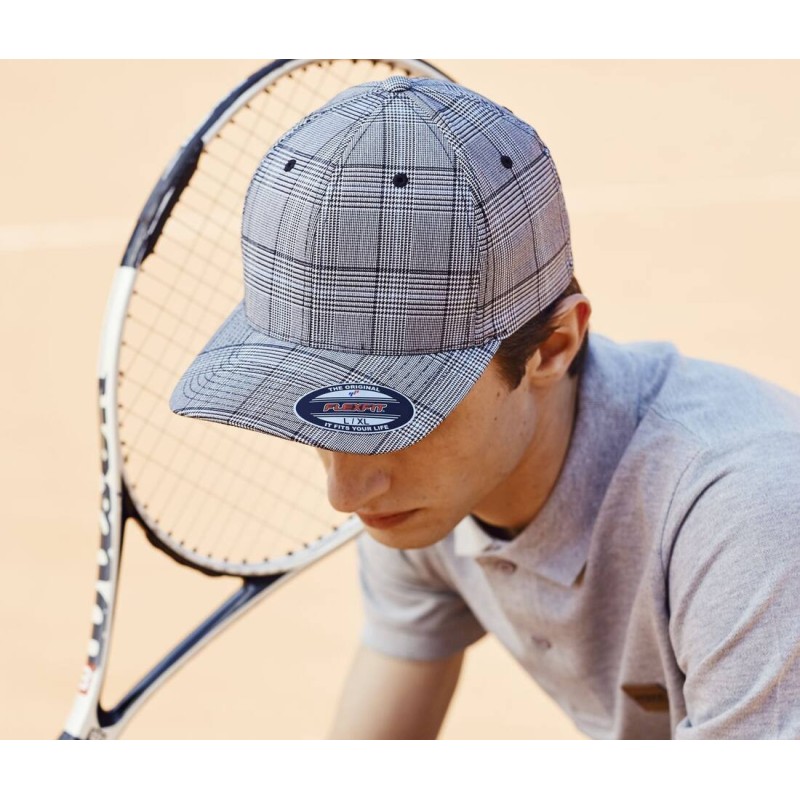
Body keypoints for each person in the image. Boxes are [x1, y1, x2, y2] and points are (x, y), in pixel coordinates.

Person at [169, 75, 800, 739]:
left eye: (398, 414)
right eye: (322, 410)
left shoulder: (747, 516)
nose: (346, 492)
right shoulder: (418, 495)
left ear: (553, 347)